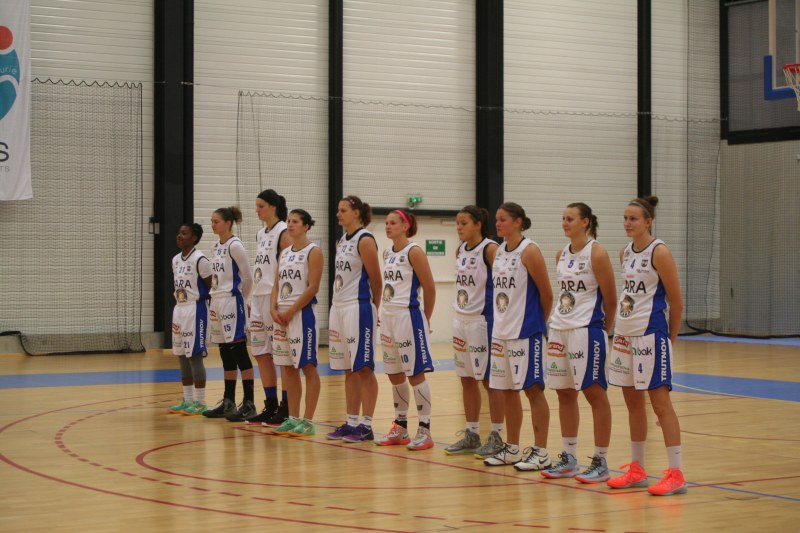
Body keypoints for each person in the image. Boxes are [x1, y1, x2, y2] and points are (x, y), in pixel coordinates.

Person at [607, 196, 687, 496]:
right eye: (625, 218)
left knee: (661, 404)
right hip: (624, 336)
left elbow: (677, 303)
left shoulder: (660, 251)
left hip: (651, 335)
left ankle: (676, 473)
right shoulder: (625, 252)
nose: (628, 223)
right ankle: (637, 469)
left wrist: (670, 339)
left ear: (648, 221)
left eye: (634, 219)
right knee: (632, 403)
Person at [541, 203, 617, 483]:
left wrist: (601, 332)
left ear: (585, 222)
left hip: (586, 331)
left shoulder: (597, 253)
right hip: (559, 330)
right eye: (563, 218)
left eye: (570, 219)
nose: (565, 223)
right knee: (564, 394)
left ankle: (600, 460)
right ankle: (569, 458)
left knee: (595, 394)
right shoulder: (560, 254)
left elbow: (611, 299)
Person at [484, 202, 553, 470]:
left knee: (532, 390)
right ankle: (511, 448)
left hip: (526, 332)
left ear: (518, 222)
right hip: (501, 333)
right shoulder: (499, 251)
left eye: (503, 219)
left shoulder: (530, 250)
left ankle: (541, 452)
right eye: (497, 219)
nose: (498, 223)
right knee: (506, 391)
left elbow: (546, 294)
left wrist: (536, 323)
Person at [444, 206, 505, 459]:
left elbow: (504, 285)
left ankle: (497, 436)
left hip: (483, 321)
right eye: (457, 223)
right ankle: (472, 434)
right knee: (466, 379)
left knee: (490, 381)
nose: (459, 227)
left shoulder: (490, 249)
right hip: (461, 320)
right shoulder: (460, 250)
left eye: (464, 223)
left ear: (478, 224)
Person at [375, 208, 436, 451]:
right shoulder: (387, 252)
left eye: (393, 223)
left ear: (405, 226)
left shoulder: (414, 251)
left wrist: (426, 320)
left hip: (408, 317)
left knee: (415, 374)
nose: (388, 226)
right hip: (388, 317)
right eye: (386, 223)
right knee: (394, 374)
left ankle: (425, 430)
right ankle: (400, 427)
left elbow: (430, 288)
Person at [326, 196, 382, 443]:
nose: (338, 214)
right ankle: (351, 422)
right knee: (348, 369)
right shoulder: (341, 241)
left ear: (356, 213)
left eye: (343, 210)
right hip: (338, 307)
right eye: (338, 210)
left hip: (358, 308)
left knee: (364, 368)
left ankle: (367, 426)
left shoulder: (365, 239)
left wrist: (374, 309)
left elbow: (377, 281)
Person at [266, 209, 323, 437]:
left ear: (306, 226)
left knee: (307, 367)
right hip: (282, 315)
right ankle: (293, 418)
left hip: (302, 315)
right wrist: (273, 308)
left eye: (295, 221)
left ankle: (308, 421)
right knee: (288, 369)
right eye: (288, 221)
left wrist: (292, 309)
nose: (290, 225)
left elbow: (313, 287)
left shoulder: (314, 251)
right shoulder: (285, 253)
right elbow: (276, 285)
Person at [237, 189, 292, 425]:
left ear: (272, 207)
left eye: (260, 206)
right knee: (260, 353)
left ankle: (286, 406)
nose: (257, 210)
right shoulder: (261, 233)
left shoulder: (283, 231)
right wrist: (252, 299)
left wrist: (278, 301)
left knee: (281, 354)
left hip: (273, 297)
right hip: (259, 298)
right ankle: (270, 404)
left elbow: (287, 269)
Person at [202, 206, 256, 420]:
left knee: (239, 352)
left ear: (228, 223)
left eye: (216, 221)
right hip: (216, 300)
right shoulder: (216, 246)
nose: (212, 225)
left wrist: (243, 299)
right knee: (225, 352)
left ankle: (250, 403)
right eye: (211, 221)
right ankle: (228, 401)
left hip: (232, 301)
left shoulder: (235, 245)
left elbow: (248, 277)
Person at [168, 223, 212, 416]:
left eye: (184, 233)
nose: (179, 236)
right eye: (179, 233)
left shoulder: (200, 260)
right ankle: (187, 400)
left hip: (196, 309)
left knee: (194, 355)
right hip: (179, 309)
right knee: (181, 354)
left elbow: (211, 287)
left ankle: (200, 402)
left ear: (194, 237)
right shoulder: (175, 260)